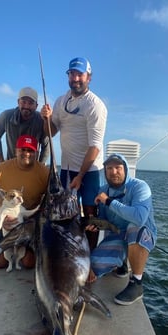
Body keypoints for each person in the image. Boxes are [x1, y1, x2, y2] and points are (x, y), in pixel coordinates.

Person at [41, 57, 107, 251]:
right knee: (63, 213)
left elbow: (95, 146)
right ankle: (68, 251)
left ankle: (90, 256)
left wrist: (81, 175)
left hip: (90, 170)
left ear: (89, 77)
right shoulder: (61, 101)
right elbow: (50, 132)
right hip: (66, 167)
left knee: (89, 213)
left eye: (80, 74)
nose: (75, 78)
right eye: (72, 74)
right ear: (68, 76)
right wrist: (45, 119)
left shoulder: (95, 106)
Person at [87, 153, 157, 305]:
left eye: (118, 167)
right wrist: (95, 223)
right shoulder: (103, 189)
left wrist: (109, 201)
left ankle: (137, 282)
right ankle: (122, 263)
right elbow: (106, 220)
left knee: (134, 228)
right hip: (118, 234)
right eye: (109, 168)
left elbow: (139, 217)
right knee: (92, 267)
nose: (113, 172)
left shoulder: (140, 186)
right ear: (104, 172)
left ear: (125, 168)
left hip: (141, 234)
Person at [0, 134, 49, 269]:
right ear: (16, 150)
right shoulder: (1, 169)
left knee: (29, 262)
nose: (26, 154)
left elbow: (51, 199)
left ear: (36, 152)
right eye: (22, 149)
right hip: (6, 223)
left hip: (28, 223)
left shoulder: (44, 172)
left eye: (30, 150)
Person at [0, 87, 49, 164]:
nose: (27, 106)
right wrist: (2, 162)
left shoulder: (41, 120)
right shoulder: (6, 116)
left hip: (32, 166)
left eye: (31, 103)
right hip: (11, 165)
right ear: (18, 102)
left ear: (36, 106)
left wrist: (40, 165)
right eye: (23, 102)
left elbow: (46, 145)